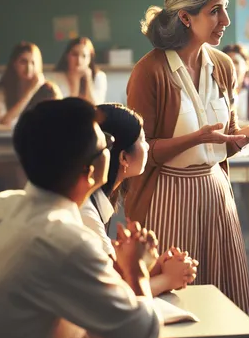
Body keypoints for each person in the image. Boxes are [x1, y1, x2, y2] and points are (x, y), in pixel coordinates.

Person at [126, 0, 249, 320]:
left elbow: (228, 142)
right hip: (168, 194)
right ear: (185, 17)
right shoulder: (149, 71)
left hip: (216, 192)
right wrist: (195, 138)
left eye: (225, 8)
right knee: (177, 300)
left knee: (225, 299)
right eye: (214, 11)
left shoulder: (223, 65)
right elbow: (141, 151)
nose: (225, 20)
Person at [0, 98, 163, 338]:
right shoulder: (67, 243)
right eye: (106, 142)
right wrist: (137, 267)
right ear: (89, 170)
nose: (111, 146)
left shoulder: (2, 204)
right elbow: (144, 334)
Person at [79, 103, 197, 296]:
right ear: (124, 158)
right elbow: (117, 294)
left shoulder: (92, 201)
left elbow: (118, 275)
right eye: (142, 139)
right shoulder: (86, 213)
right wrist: (168, 279)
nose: (147, 146)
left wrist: (159, 267)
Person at [0, 42, 45, 125]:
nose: (28, 68)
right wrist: (31, 91)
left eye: (33, 63)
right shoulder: (0, 92)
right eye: (23, 62)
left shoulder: (46, 89)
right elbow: (4, 122)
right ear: (14, 64)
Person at [53, 37, 107, 104]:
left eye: (84, 56)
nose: (79, 60)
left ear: (90, 59)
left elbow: (97, 106)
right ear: (67, 56)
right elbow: (64, 107)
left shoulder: (99, 76)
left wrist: (88, 80)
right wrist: (75, 82)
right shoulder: (55, 77)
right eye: (75, 54)